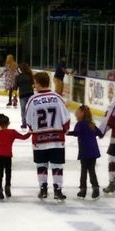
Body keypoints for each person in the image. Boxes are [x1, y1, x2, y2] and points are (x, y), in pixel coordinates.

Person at [26, 72, 70, 200]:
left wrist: (34, 130)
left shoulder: (32, 100)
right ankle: (58, 190)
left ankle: (43, 189)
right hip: (57, 140)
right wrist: (63, 131)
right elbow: (66, 120)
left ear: (38, 83)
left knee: (41, 165)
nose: (34, 84)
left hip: (39, 140)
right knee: (57, 165)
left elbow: (28, 121)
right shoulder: (57, 98)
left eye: (35, 82)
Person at [0, 114, 31, 199]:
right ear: (8, 123)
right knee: (8, 173)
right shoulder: (12, 132)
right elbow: (24, 137)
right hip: (8, 156)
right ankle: (7, 187)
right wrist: (30, 132)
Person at [67, 105, 102, 199]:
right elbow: (101, 134)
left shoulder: (80, 124)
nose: (75, 114)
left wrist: (67, 133)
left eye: (77, 113)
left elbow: (77, 133)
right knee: (92, 170)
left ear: (82, 113)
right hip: (93, 151)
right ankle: (95, 189)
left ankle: (83, 190)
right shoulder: (91, 124)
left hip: (85, 151)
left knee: (84, 171)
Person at [15, 63, 34, 129]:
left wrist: (14, 97)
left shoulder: (18, 77)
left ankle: (24, 123)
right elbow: (33, 84)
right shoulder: (30, 76)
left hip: (22, 95)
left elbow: (15, 87)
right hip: (30, 94)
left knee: (23, 110)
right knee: (30, 109)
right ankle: (31, 123)